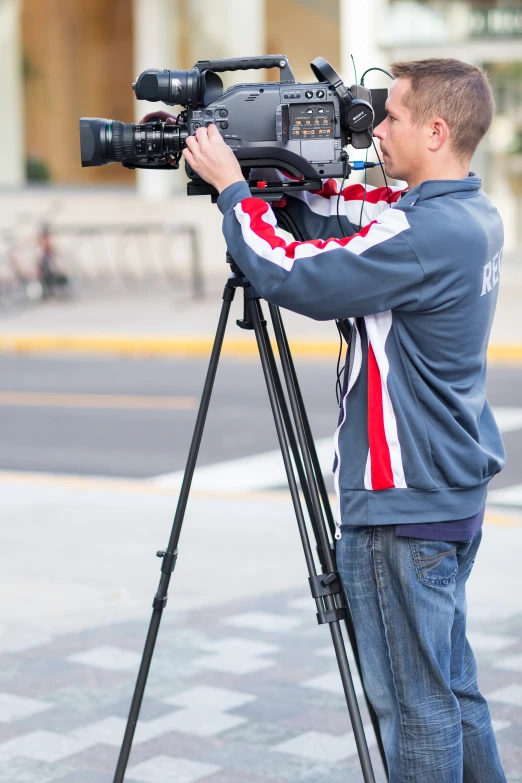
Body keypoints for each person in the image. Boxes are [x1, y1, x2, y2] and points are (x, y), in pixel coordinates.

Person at [168, 58, 506, 782]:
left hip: (401, 507)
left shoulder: (422, 234)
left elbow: (291, 272)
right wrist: (282, 173)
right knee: (452, 691)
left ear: (437, 131)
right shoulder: (465, 215)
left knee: (415, 710)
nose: (376, 128)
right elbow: (343, 226)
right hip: (442, 496)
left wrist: (233, 191)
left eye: (393, 116)